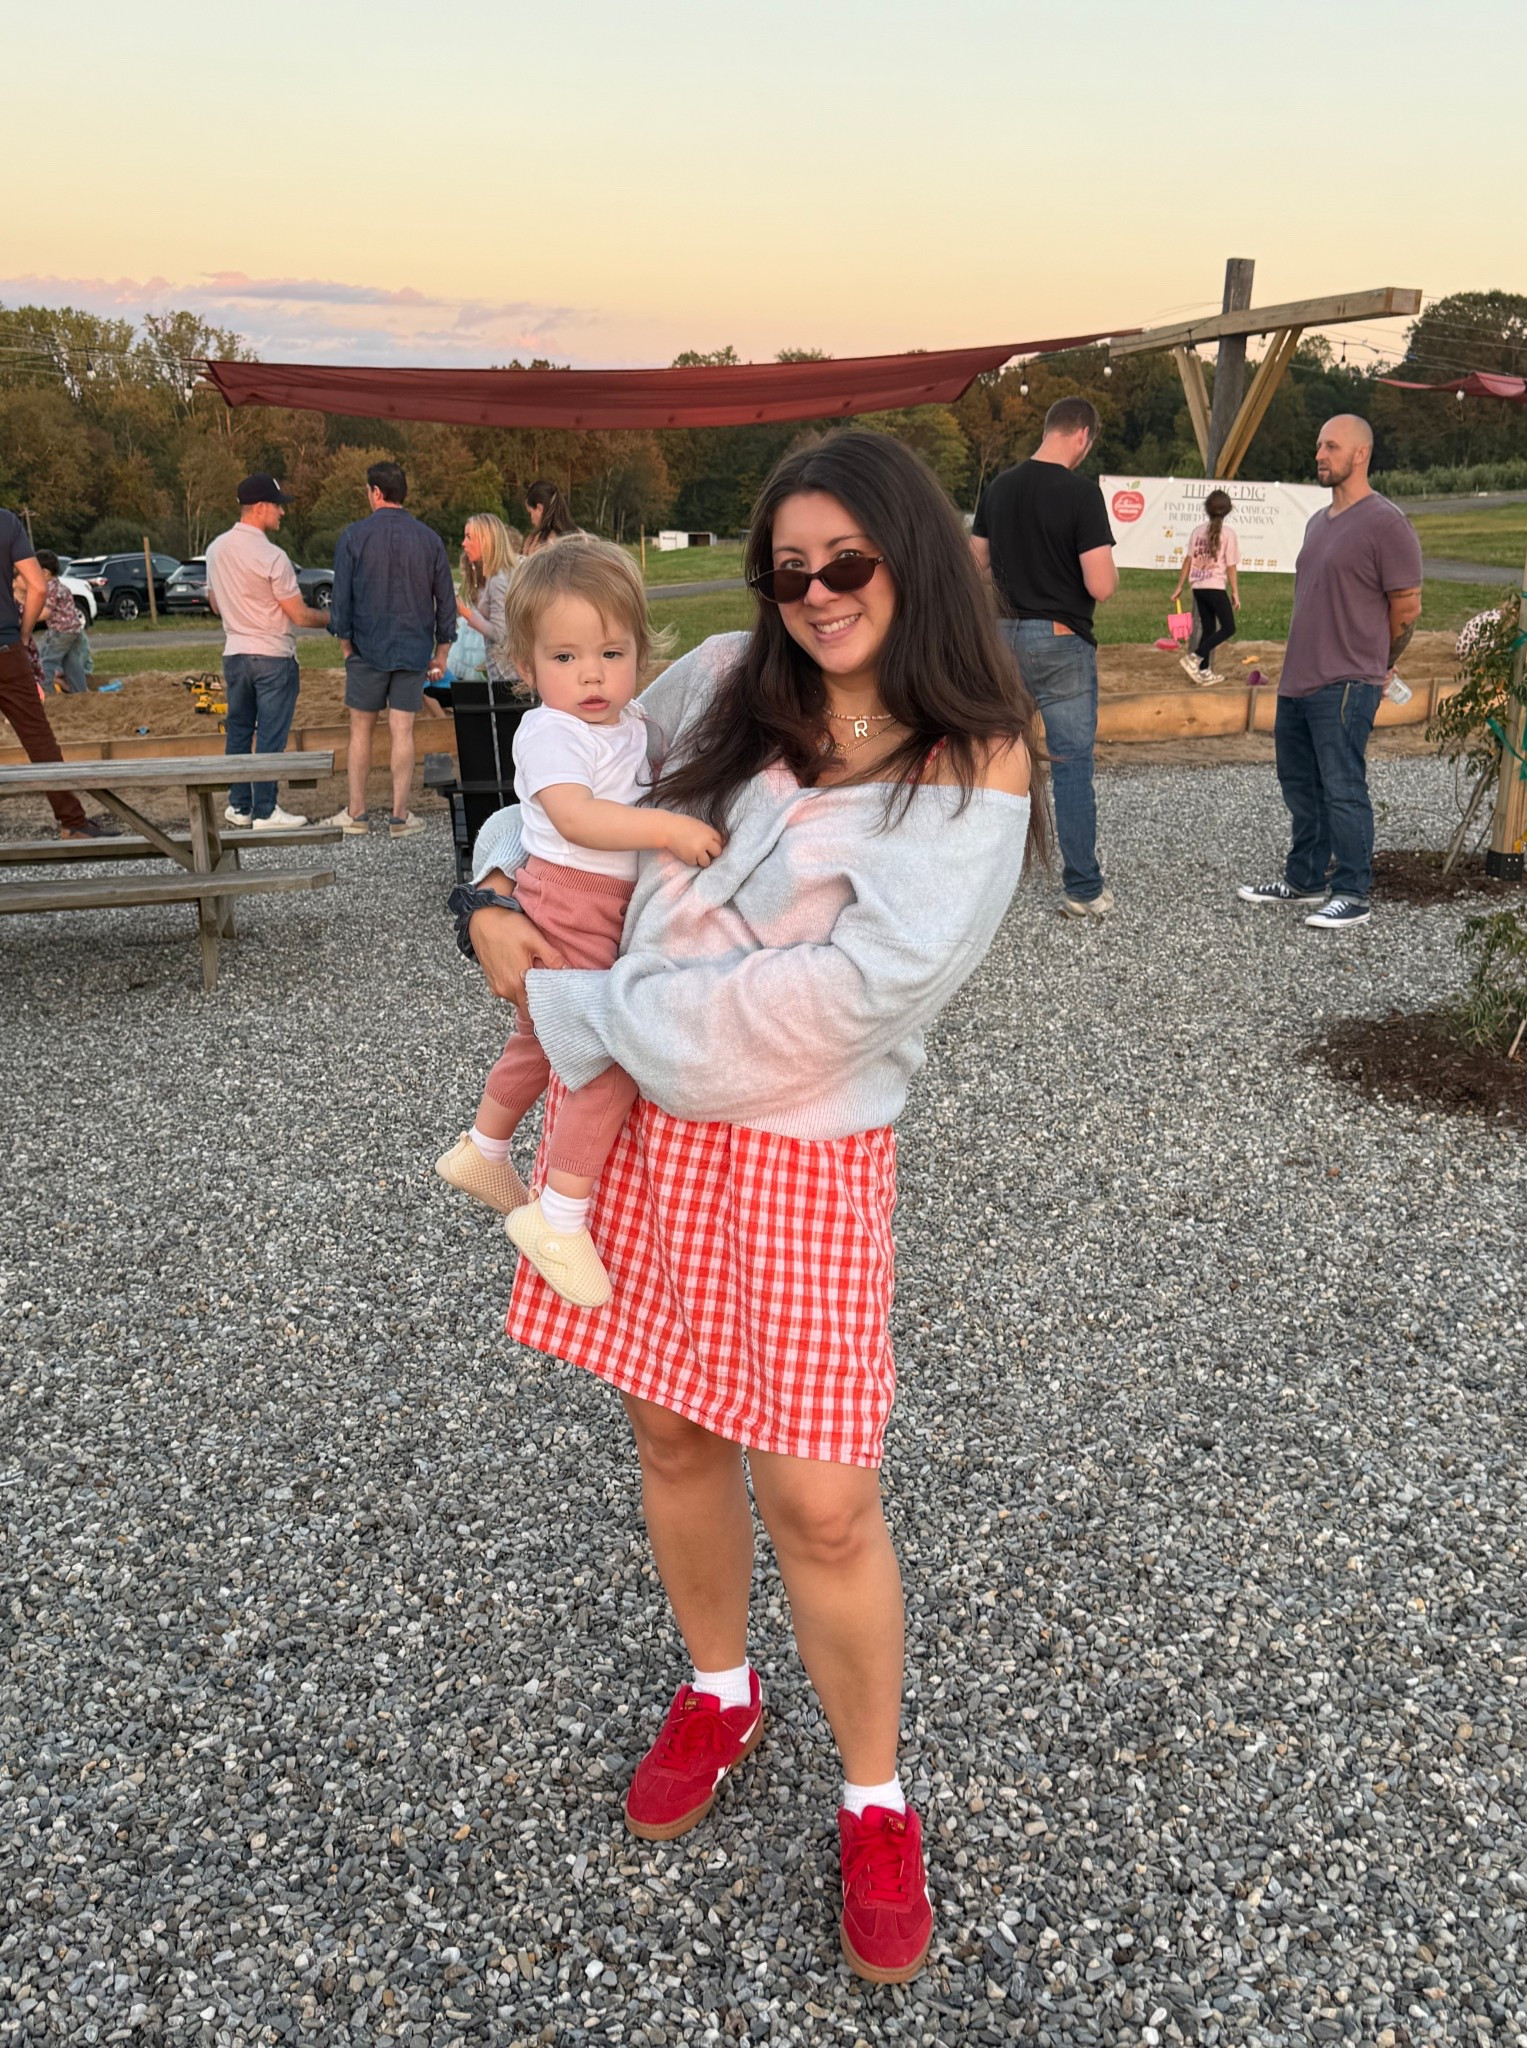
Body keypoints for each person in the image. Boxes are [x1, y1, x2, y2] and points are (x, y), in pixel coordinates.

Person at [461, 431, 1048, 1985]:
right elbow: (556, 773)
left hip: (797, 1153)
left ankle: (875, 1793)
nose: (815, 593)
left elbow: (857, 997)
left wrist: (600, 1012)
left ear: (913, 556)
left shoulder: (973, 756)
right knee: (669, 1432)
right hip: (648, 1140)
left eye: (845, 562)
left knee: (826, 1501)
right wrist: (485, 896)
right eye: (789, 567)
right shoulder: (728, 675)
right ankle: (721, 1687)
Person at [435, 542, 721, 1306]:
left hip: (590, 901)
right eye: (566, 656)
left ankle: (485, 1145)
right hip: (573, 899)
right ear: (527, 666)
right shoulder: (551, 732)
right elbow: (572, 815)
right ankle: (560, 1216)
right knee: (611, 1052)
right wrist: (665, 833)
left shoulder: (629, 723)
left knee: (537, 1032)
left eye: (611, 651)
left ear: (639, 648)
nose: (591, 674)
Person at [1238, 415, 1422, 931]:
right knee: (1300, 785)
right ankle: (1304, 879)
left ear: (1360, 454)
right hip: (1298, 679)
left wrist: (1379, 665)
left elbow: (1406, 607)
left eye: (1331, 446)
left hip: (1346, 681)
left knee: (1343, 786)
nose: (1320, 454)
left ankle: (1353, 892)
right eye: (1318, 445)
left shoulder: (1386, 523)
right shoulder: (1318, 522)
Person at [970, 396, 1118, 918]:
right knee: (1072, 764)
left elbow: (975, 564)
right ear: (1082, 435)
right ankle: (1082, 888)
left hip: (1001, 637)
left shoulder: (1001, 487)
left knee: (994, 760)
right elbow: (1100, 583)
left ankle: (979, 885)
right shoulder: (1081, 495)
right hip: (1060, 639)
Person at [326, 461, 456, 838]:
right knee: (403, 730)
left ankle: (357, 813)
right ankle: (400, 816)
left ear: (376, 492)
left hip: (366, 648)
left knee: (360, 732)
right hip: (413, 650)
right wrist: (442, 650)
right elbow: (445, 601)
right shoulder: (430, 539)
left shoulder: (354, 536)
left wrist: (346, 645)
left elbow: (342, 601)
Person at [205, 474, 332, 829]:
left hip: (235, 652)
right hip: (273, 654)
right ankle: (266, 810)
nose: (282, 513)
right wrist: (332, 618)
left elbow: (215, 603)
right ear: (260, 508)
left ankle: (239, 805)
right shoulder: (273, 557)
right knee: (271, 735)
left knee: (239, 731)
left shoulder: (215, 549)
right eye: (278, 506)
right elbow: (299, 614)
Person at [0, 508, 118, 839]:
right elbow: (38, 587)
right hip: (6, 650)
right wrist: (23, 636)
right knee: (39, 741)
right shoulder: (7, 523)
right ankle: (72, 820)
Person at [1169, 489, 1240, 685]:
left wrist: (1179, 586)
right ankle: (1195, 657)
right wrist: (1235, 592)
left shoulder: (1197, 532)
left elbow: (1188, 560)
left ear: (1207, 509)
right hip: (1215, 586)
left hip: (1198, 586)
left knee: (1209, 629)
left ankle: (1204, 670)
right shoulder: (1229, 534)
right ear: (1228, 510)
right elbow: (1231, 566)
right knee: (1228, 627)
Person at [454, 513, 527, 688]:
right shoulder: (494, 574)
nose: (464, 543)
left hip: (508, 674)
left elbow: (500, 634)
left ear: (486, 540)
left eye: (469, 537)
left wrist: (464, 612)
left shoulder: (498, 579)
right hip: (505, 671)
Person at [35, 551, 93, 694]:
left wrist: (27, 617)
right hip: (73, 631)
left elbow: (45, 613)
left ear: (44, 572)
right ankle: (80, 692)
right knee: (72, 663)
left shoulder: (50, 589)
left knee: (47, 661)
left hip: (61, 632)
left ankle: (46, 692)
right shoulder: (61, 586)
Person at [522, 480, 580, 554]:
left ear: (539, 508)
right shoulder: (580, 537)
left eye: (530, 513)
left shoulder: (539, 542)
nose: (531, 519)